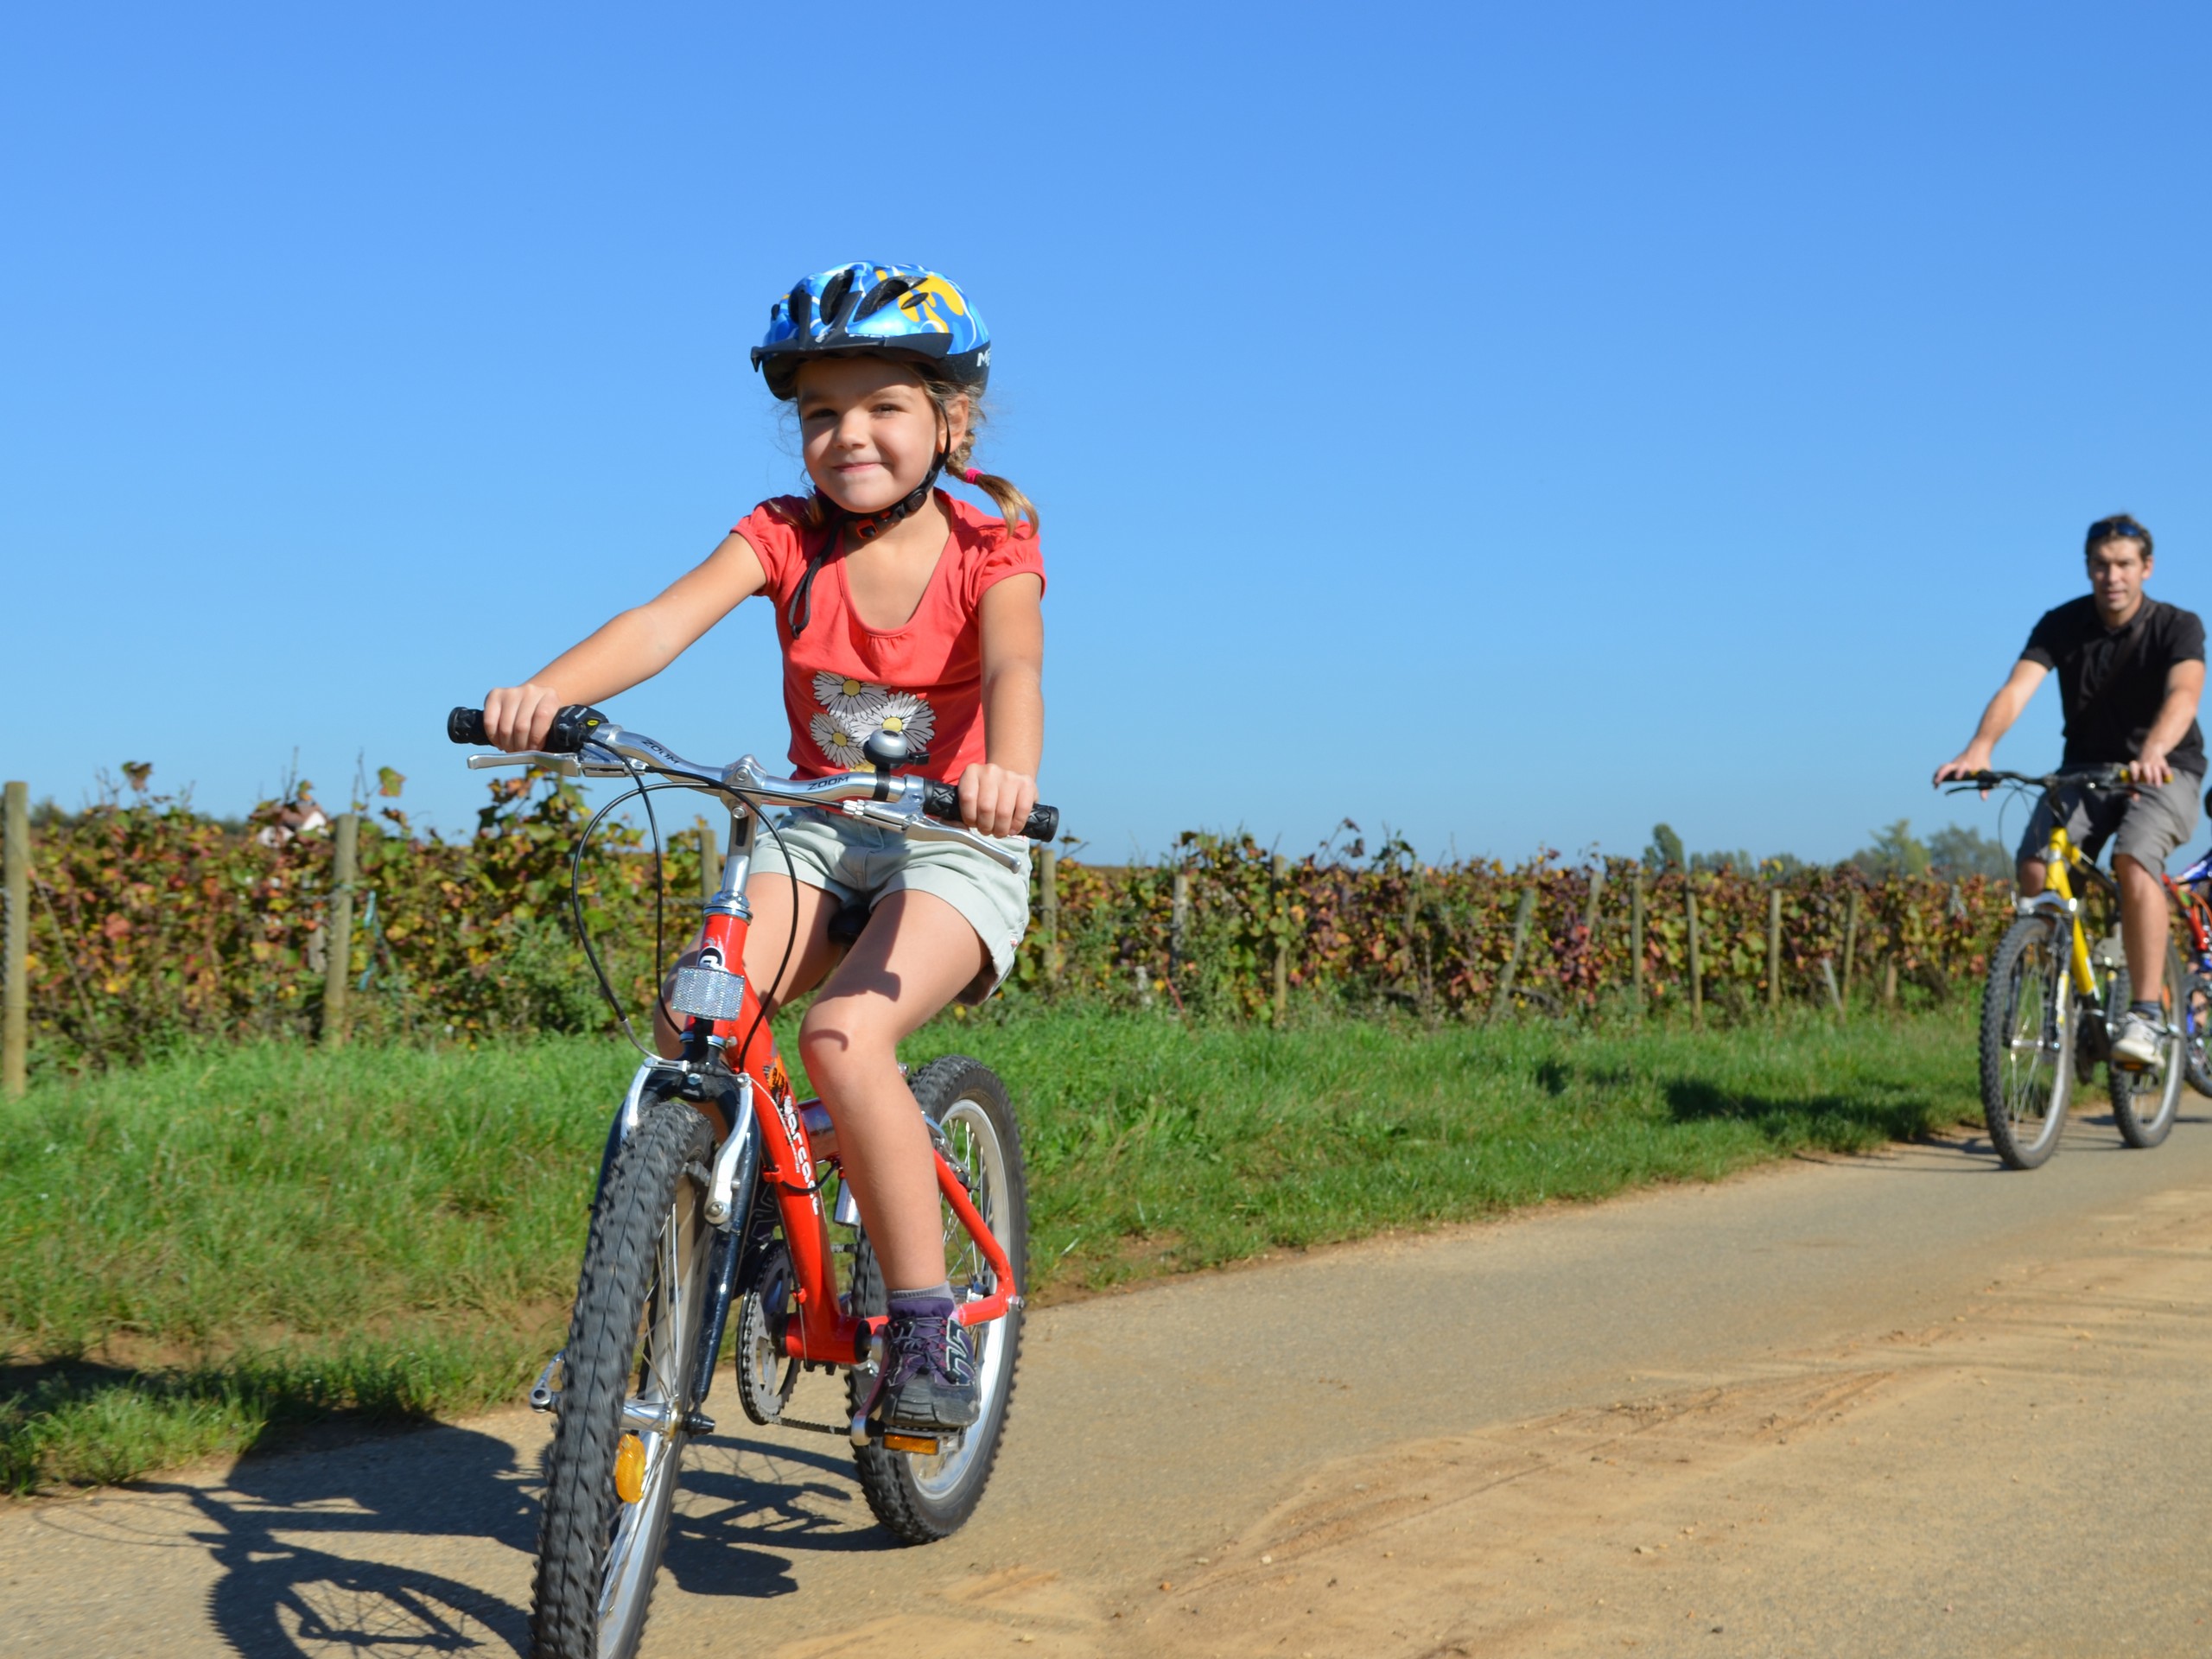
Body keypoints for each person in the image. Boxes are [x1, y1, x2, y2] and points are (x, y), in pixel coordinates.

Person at [478, 261, 1045, 1429]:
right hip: (821, 827)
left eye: (883, 406)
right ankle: (669, 1278)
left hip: (953, 841)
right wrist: (542, 696)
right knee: (703, 1011)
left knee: (844, 1035)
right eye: (820, 413)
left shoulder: (992, 553)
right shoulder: (785, 538)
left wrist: (1007, 774)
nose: (849, 434)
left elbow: (1013, 668)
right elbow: (661, 621)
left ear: (952, 419)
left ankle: (926, 1321)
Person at [1935, 513, 2205, 1066]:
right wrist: (1980, 747)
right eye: (2102, 565)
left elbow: (2184, 692)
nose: (2113, 577)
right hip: (2084, 771)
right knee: (2037, 863)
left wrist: (2152, 752)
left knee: (2134, 856)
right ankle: (2062, 998)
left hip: (2165, 770)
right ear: (2088, 569)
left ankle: (2147, 1015)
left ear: (2146, 568)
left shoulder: (2177, 625)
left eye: (2124, 564)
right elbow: (2018, 687)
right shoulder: (2061, 624)